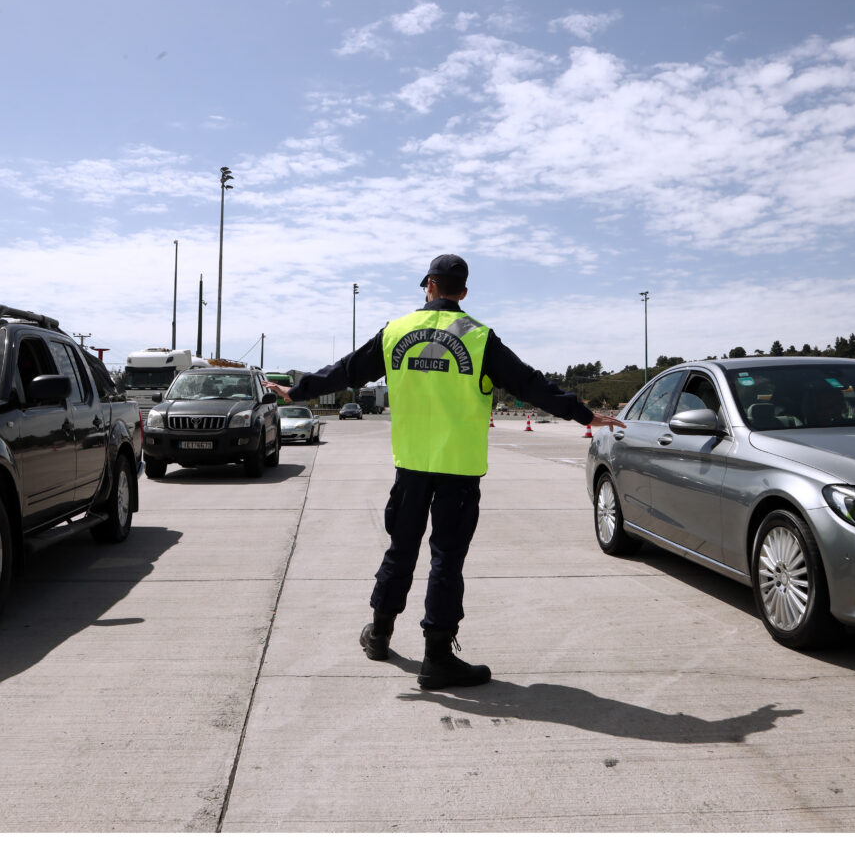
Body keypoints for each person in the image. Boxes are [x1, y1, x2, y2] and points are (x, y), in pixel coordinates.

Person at [263, 254, 623, 689]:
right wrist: (584, 414)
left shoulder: (395, 332)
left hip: (411, 466)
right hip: (458, 469)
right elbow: (532, 384)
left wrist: (298, 389)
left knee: (401, 549)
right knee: (446, 560)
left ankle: (379, 634)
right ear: (463, 292)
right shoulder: (479, 338)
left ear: (428, 286)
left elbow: (346, 371)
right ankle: (437, 656)